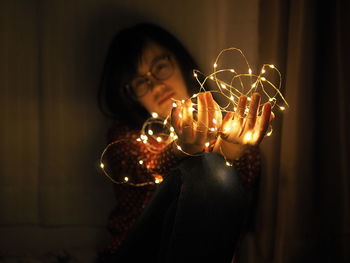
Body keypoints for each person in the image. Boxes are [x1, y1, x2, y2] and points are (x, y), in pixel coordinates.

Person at [97, 23, 272, 263]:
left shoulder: (227, 127)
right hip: (135, 255)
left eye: (160, 67)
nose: (157, 85)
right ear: (130, 96)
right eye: (140, 82)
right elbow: (145, 169)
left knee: (214, 170)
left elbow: (239, 190)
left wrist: (229, 150)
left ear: (179, 61)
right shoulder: (124, 137)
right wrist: (184, 149)